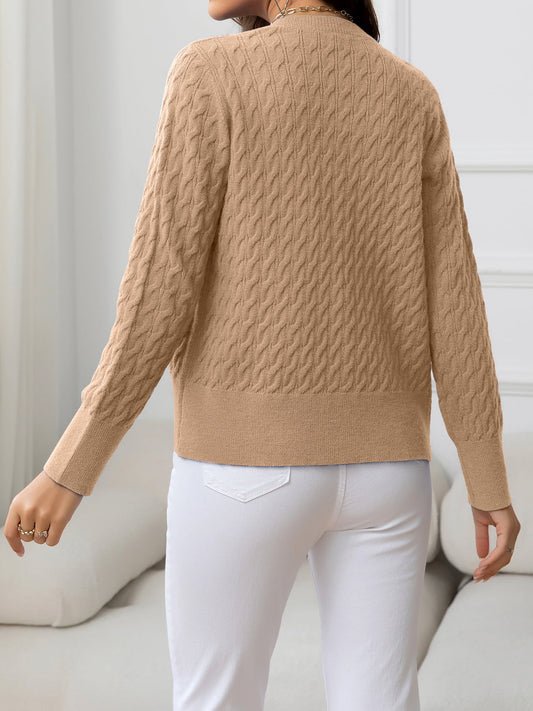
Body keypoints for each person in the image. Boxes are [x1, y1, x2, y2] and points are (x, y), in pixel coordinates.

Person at [4, 1, 521, 709]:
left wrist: (71, 467)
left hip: (243, 471)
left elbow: (158, 294)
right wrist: (487, 479)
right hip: (389, 476)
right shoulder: (411, 93)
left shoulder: (207, 74)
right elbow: (455, 302)